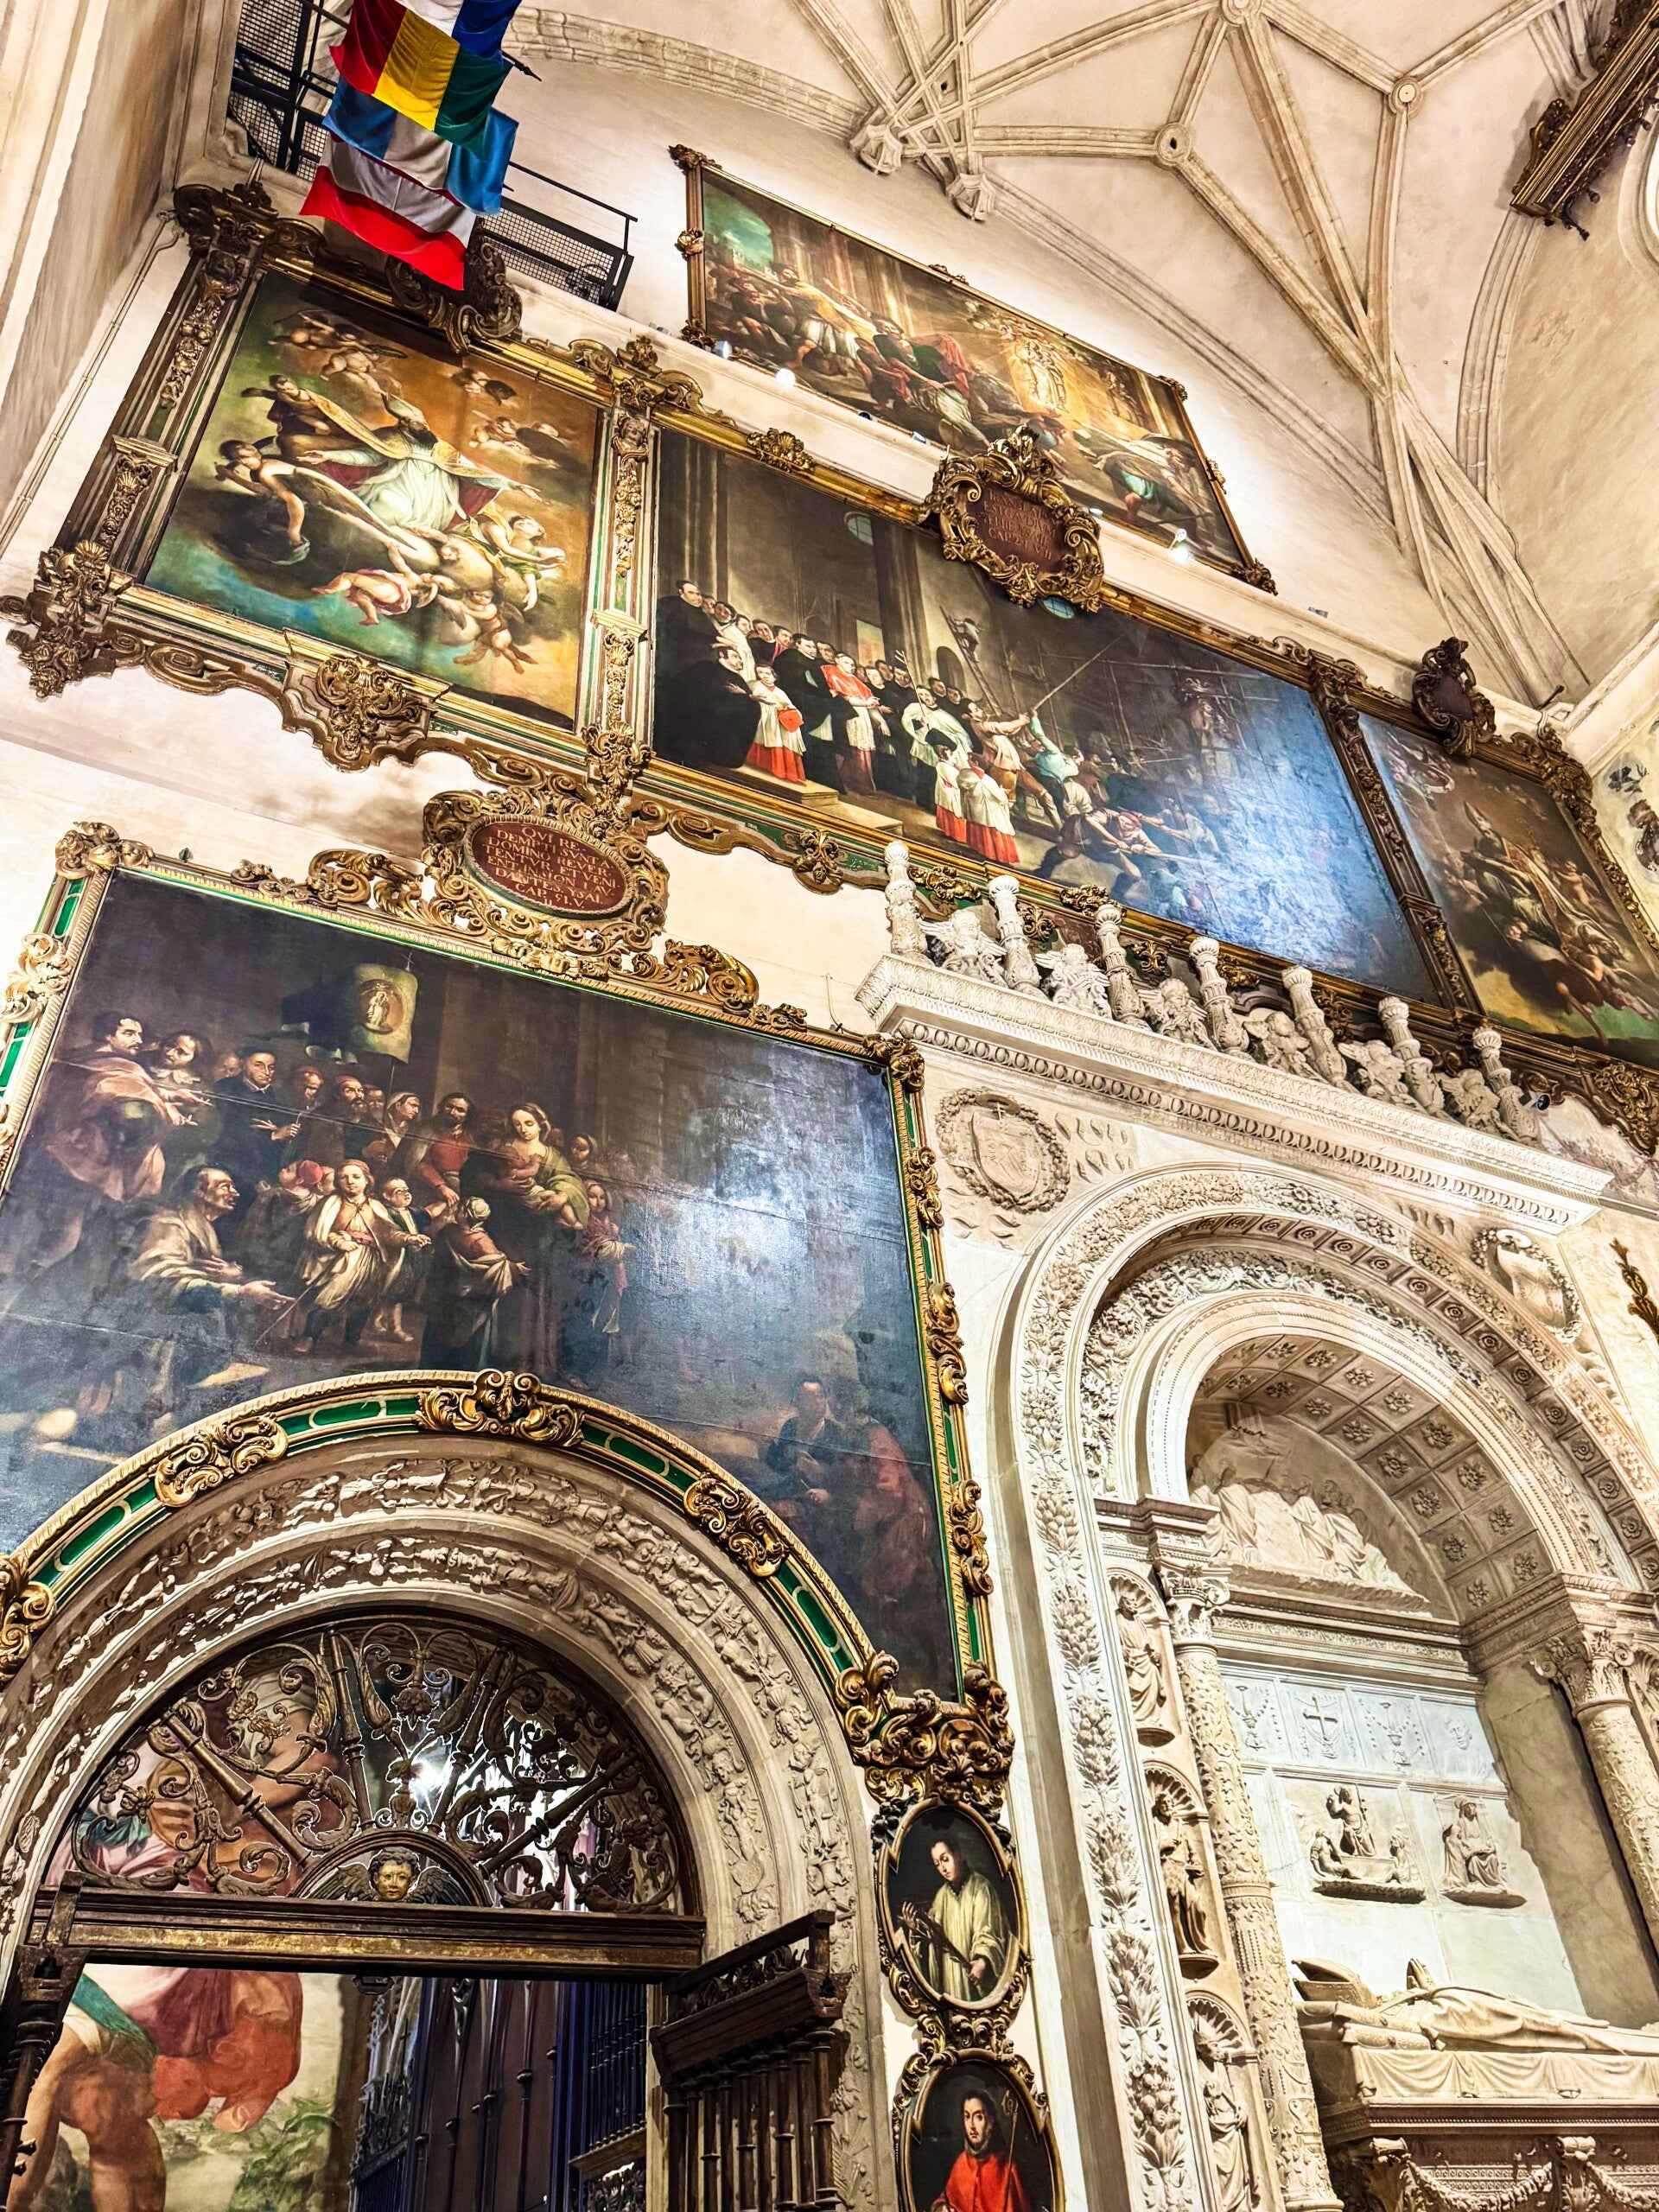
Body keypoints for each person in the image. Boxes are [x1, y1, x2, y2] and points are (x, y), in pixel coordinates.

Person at [0, 1011, 181, 1305]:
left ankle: (19, 1285)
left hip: (79, 1158)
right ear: (108, 1035)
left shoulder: (111, 1066)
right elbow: (118, 1096)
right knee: (49, 1228)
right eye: (129, 1033)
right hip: (75, 1157)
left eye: (139, 1034)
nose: (138, 1040)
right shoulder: (108, 1067)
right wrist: (158, 1107)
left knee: (61, 1230)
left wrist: (164, 1101)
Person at [293, 1160, 417, 1352]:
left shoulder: (375, 1206)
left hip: (370, 1261)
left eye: (356, 1177)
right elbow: (316, 1231)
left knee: (364, 1301)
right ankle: (309, 1337)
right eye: (344, 1177)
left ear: (367, 1180)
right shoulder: (332, 1203)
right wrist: (338, 1241)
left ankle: (352, 1341)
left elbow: (388, 1232)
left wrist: (408, 1238)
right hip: (341, 1260)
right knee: (329, 1298)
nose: (350, 1181)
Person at [901, 1833, 1011, 2002]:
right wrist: (915, 1929)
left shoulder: (981, 1888)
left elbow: (988, 1931)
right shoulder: (941, 1896)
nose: (942, 1868)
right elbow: (934, 1937)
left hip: (973, 1974)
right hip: (950, 1975)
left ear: (957, 1854)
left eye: (945, 1859)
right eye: (937, 1864)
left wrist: (982, 1961)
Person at [420, 1198, 526, 1364]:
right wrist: (514, 1267)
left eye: (461, 1208)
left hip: (447, 1293)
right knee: (465, 1336)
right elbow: (497, 1266)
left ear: (466, 1215)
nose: (457, 1210)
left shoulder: (450, 1231)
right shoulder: (480, 1240)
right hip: (466, 1298)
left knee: (440, 1333)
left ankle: (435, 1364)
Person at [930, 2084, 1034, 2212]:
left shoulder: (1008, 2168)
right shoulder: (961, 2163)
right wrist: (943, 2209)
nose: (972, 2126)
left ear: (991, 2121)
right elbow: (945, 2200)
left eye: (978, 2117)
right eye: (967, 2117)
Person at [745, 660, 806, 779]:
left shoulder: (780, 692)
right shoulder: (753, 684)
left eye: (767, 673)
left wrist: (789, 711)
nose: (764, 676)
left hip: (780, 720)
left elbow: (790, 706)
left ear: (774, 676)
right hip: (763, 718)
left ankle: (782, 770)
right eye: (760, 673)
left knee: (786, 734)